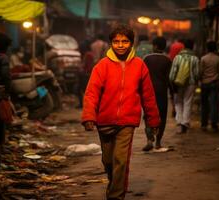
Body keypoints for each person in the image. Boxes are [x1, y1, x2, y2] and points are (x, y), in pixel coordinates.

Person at [81, 24, 160, 200]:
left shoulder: (139, 65)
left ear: (131, 43)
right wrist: (89, 116)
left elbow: (148, 96)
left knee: (121, 161)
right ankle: (114, 182)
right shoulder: (102, 66)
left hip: (127, 122)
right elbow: (91, 93)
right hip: (104, 120)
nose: (121, 45)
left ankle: (116, 196)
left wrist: (153, 121)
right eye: (116, 41)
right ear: (111, 43)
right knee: (108, 161)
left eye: (125, 41)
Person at [142, 36, 172, 151]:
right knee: (162, 116)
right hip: (162, 91)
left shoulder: (146, 58)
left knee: (148, 114)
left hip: (148, 91)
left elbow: (142, 76)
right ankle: (158, 142)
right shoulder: (168, 60)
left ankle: (149, 139)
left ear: (154, 46)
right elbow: (169, 78)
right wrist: (173, 94)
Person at [169, 39, 200, 134]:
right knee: (188, 101)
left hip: (178, 83)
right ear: (192, 46)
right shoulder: (195, 58)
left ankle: (179, 121)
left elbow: (172, 73)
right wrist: (195, 82)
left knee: (178, 101)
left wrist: (172, 82)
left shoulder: (177, 57)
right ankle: (185, 122)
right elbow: (196, 74)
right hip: (190, 83)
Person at [200, 41, 219, 131]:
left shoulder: (203, 58)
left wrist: (201, 80)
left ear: (207, 48)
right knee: (214, 104)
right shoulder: (218, 59)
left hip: (204, 83)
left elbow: (200, 72)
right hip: (214, 83)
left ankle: (204, 124)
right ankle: (214, 124)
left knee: (204, 104)